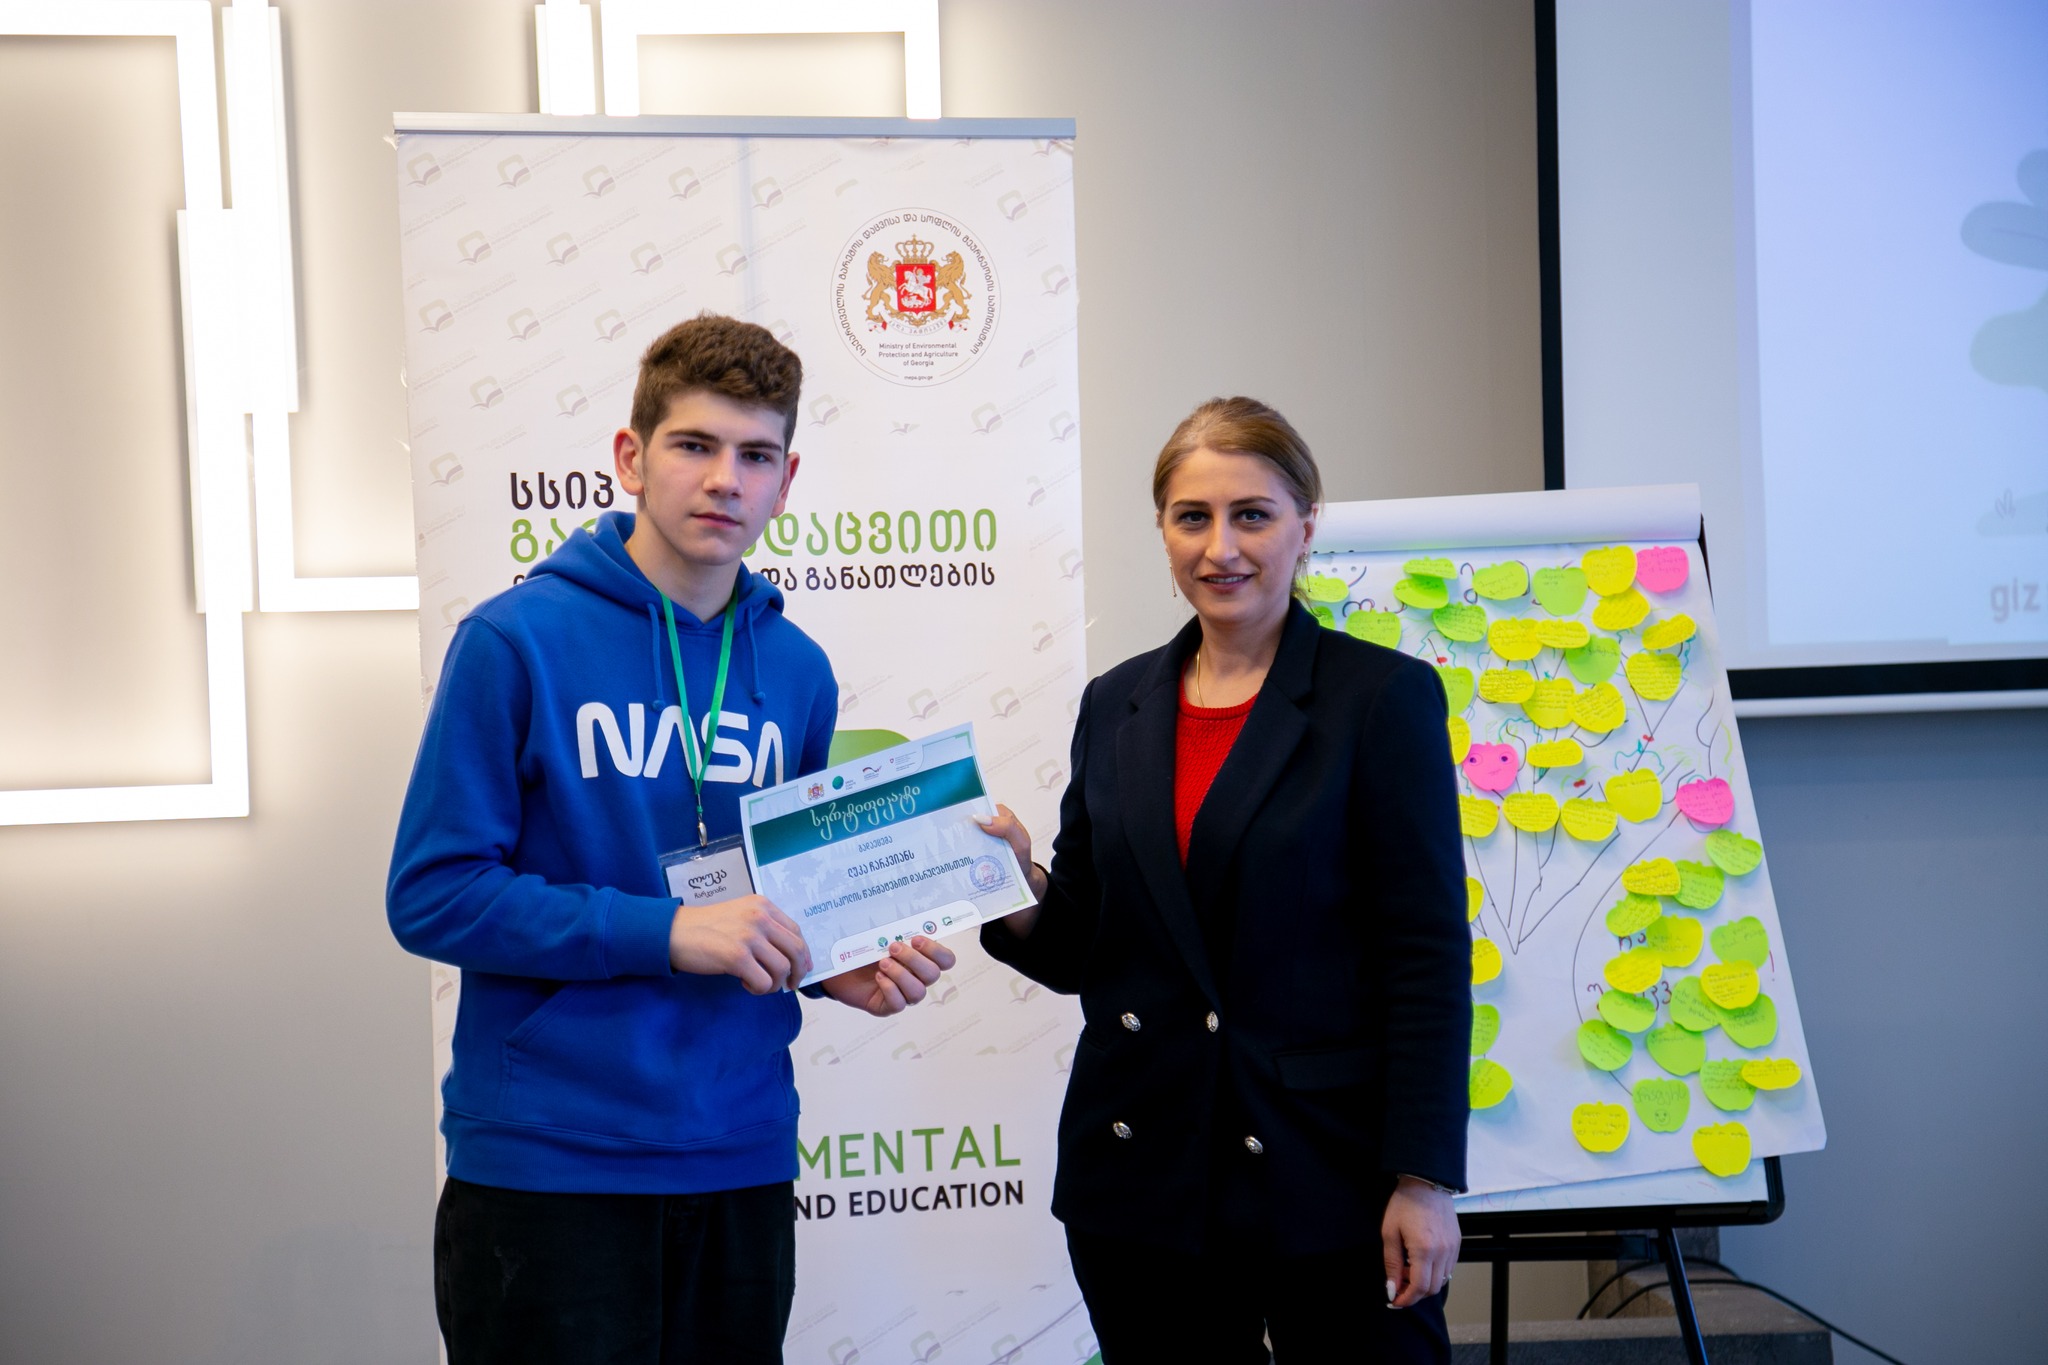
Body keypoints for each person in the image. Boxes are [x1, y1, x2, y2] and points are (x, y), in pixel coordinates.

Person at [387, 313, 955, 1365]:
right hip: (550, 1164)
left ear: (786, 480)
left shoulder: (797, 670)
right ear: (630, 457)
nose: (725, 480)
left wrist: (837, 964)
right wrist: (668, 932)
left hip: (739, 1153)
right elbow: (434, 894)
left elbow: (785, 896)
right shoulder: (515, 641)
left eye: (756, 455)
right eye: (694, 445)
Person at [976, 397, 1471, 1362]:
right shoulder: (1114, 702)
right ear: (1162, 529)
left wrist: (1423, 1178)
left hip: (1329, 1172)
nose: (1221, 547)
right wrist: (1010, 878)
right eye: (1192, 517)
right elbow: (1082, 942)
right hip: (1142, 1175)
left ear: (1306, 526)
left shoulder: (1382, 698)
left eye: (1253, 514)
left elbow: (1426, 959)